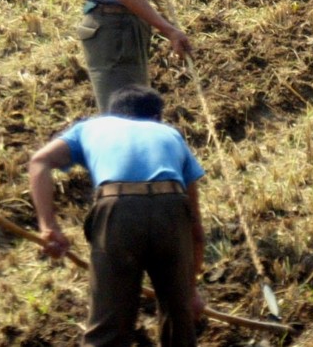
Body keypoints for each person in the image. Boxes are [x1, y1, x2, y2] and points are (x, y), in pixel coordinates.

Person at [29, 85, 208, 347]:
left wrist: (48, 226)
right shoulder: (170, 134)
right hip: (171, 208)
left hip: (118, 209)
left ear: (111, 113)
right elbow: (195, 228)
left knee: (108, 328)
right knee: (179, 322)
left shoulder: (90, 127)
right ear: (156, 117)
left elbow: (39, 162)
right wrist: (190, 292)